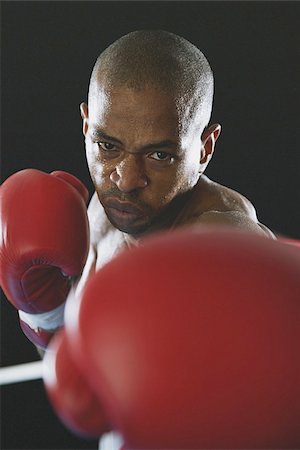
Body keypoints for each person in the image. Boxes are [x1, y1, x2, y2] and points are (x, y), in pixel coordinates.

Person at [1, 30, 276, 449]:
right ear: (86, 125)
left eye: (159, 155)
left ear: (204, 149)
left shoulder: (223, 247)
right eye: (108, 146)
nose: (126, 181)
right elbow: (77, 380)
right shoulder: (100, 214)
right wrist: (43, 311)